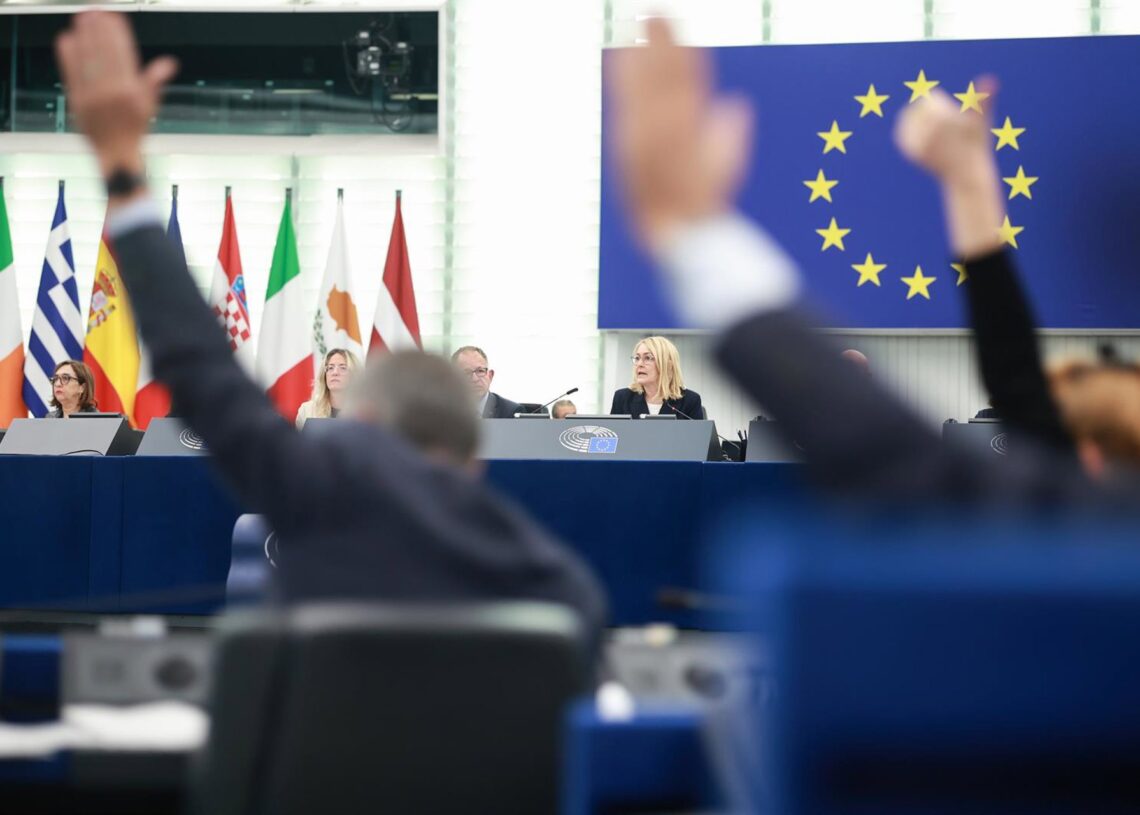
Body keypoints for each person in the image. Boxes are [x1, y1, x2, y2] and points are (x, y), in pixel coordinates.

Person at [53, 11, 605, 650]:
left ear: (364, 427)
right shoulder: (559, 592)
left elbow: (201, 369)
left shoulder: (318, 506)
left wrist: (123, 171)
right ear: (475, 458)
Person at [606, 18, 1136, 509]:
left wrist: (691, 229)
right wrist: (969, 183)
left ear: (1088, 457)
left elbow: (989, 408)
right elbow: (1015, 389)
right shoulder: (1096, 521)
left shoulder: (1069, 515)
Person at [610, 336, 703, 419]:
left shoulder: (690, 401)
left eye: (648, 358)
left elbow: (698, 433)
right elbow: (613, 432)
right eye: (637, 358)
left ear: (668, 365)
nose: (639, 364)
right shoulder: (622, 398)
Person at [296, 348, 360, 428]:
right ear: (324, 375)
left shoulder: (367, 413)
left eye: (343, 368)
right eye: (330, 368)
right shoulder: (307, 410)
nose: (335, 373)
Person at [450, 345, 521, 418]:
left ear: (490, 376)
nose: (475, 379)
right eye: (467, 373)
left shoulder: (512, 412)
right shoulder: (445, 412)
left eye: (480, 371)